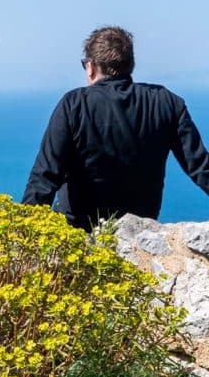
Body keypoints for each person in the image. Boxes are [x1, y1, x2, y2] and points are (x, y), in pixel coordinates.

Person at [23, 26, 209, 230]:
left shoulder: (74, 105)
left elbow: (45, 176)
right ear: (131, 65)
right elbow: (201, 167)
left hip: (78, 234)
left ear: (91, 67)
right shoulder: (167, 103)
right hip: (140, 233)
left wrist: (22, 233)